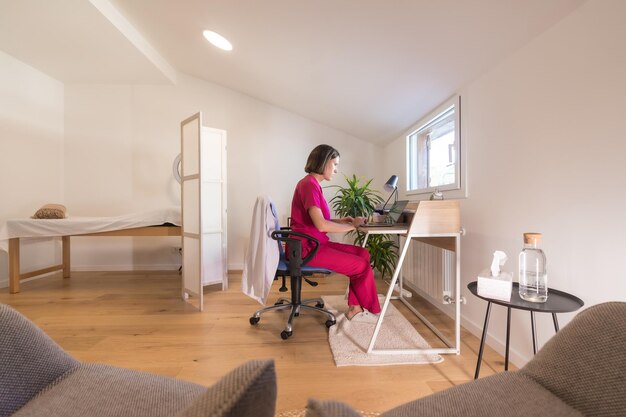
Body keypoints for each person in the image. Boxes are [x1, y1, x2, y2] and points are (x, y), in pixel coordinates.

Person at [289, 144, 381, 323]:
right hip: (307, 249)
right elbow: (321, 225)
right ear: (324, 163)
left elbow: (317, 221)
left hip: (313, 243)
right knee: (360, 266)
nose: (337, 170)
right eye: (335, 164)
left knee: (363, 253)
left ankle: (355, 306)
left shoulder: (312, 184)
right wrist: (353, 226)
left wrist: (341, 221)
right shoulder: (309, 185)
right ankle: (368, 308)